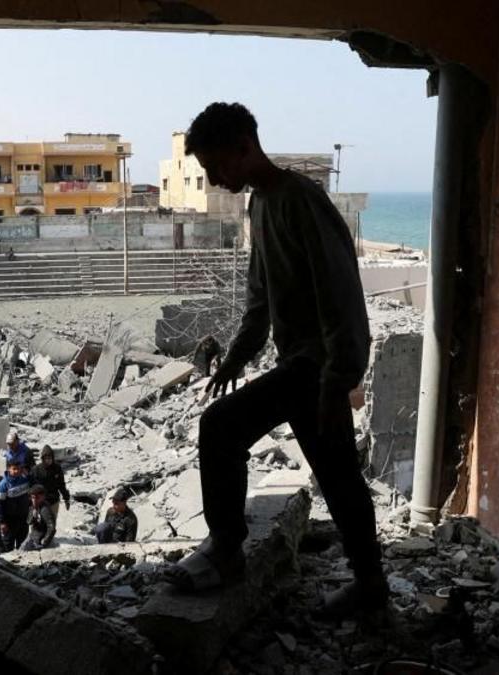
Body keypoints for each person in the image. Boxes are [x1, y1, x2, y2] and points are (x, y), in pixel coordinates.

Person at [165, 102, 385, 618]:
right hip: (300, 367)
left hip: (317, 368)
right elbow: (259, 299)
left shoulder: (301, 201)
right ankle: (371, 588)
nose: (215, 180)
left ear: (245, 145)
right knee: (338, 476)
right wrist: (237, 358)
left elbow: (342, 296)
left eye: (217, 166)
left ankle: (226, 551)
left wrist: (337, 383)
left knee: (220, 428)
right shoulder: (259, 206)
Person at [0, 460, 32, 551]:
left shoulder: (25, 480)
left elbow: (34, 486)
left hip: (23, 518)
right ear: (8, 469)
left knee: (22, 543)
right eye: (14, 469)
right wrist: (2, 522)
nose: (16, 471)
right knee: (8, 544)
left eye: (18, 469)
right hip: (9, 521)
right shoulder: (3, 485)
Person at [32, 445, 71, 526]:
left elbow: (61, 485)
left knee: (52, 522)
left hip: (54, 500)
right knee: (40, 521)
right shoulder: (36, 470)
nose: (48, 460)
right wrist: (33, 505)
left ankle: (50, 538)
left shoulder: (57, 468)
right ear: (42, 458)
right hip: (41, 501)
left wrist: (66, 499)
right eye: (46, 458)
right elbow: (32, 488)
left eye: (50, 458)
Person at [20, 485, 56, 551]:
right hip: (33, 536)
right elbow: (28, 522)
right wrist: (33, 516)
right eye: (33, 498)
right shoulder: (33, 506)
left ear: (43, 497)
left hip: (41, 538)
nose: (35, 500)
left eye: (38, 498)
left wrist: (45, 541)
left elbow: (51, 527)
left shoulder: (45, 509)